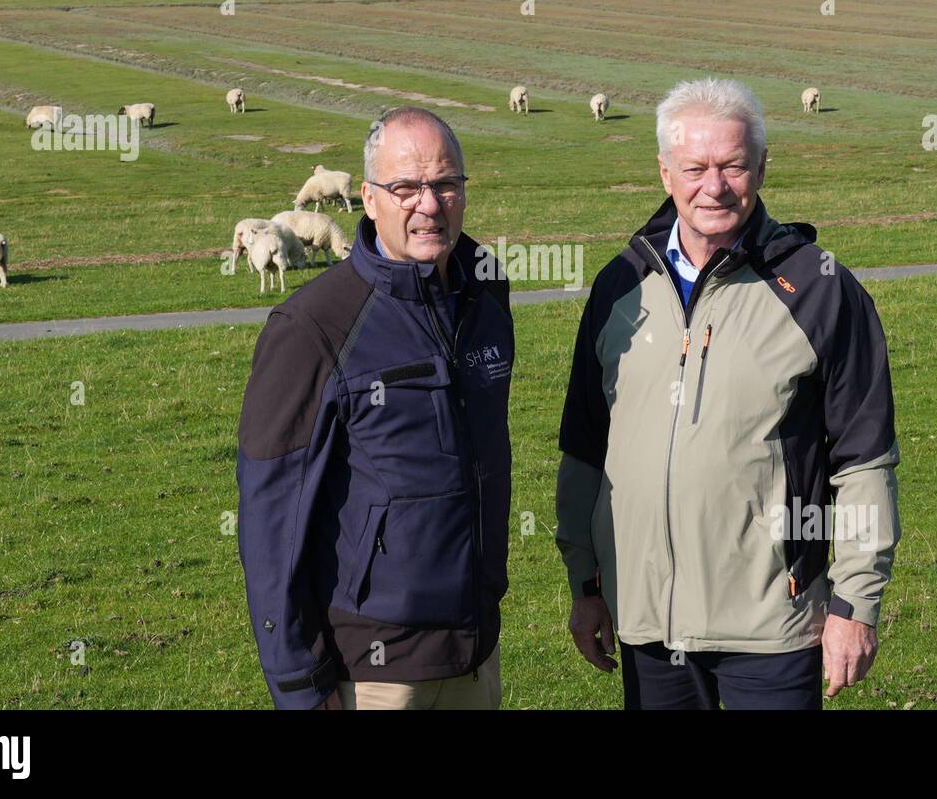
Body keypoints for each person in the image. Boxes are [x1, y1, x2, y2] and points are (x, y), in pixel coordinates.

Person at [555, 77, 901, 709]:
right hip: (647, 625)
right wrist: (586, 582)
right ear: (664, 172)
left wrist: (855, 603)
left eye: (733, 166)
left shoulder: (821, 290)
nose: (713, 187)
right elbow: (584, 450)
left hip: (772, 627)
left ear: (763, 167)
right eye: (694, 167)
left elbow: (864, 459)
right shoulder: (619, 286)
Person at [236, 105, 513, 709]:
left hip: (476, 652)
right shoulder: (313, 324)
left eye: (445, 184)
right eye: (406, 188)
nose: (429, 204)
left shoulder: (487, 289)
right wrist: (299, 687)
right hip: (373, 672)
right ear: (367, 197)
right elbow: (270, 518)